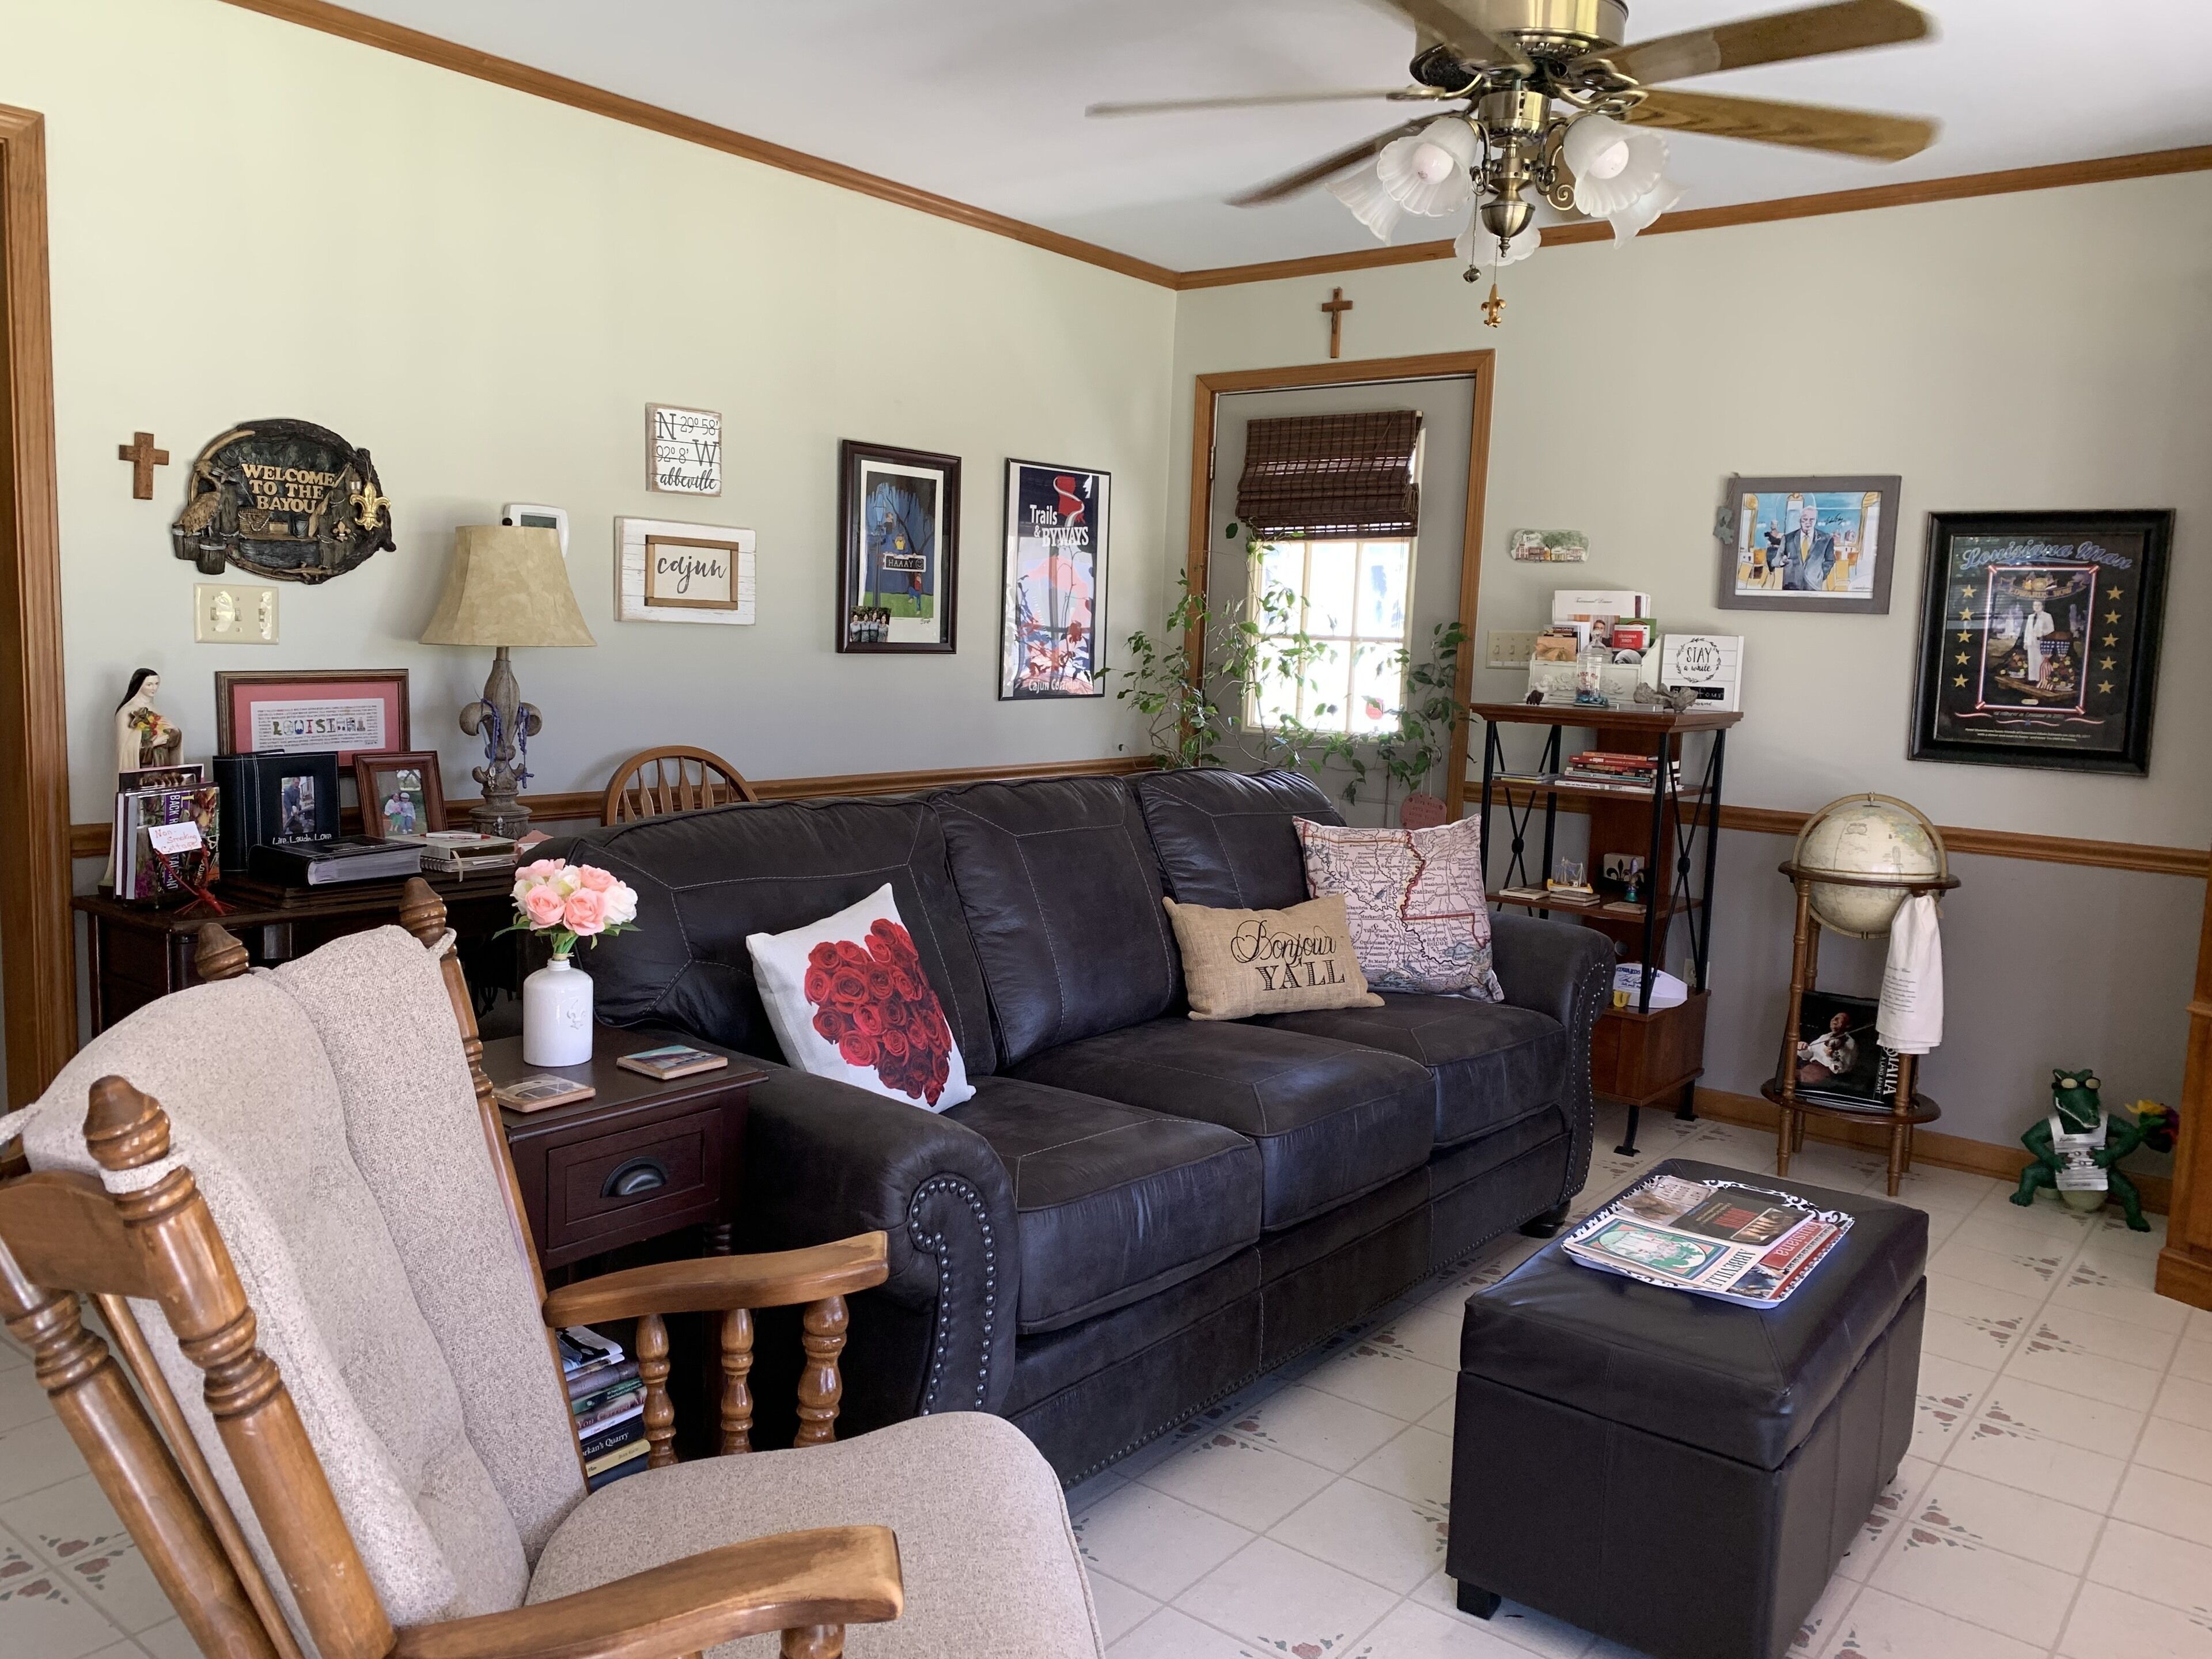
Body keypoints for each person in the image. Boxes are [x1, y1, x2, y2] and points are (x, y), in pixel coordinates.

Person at [1778, 501, 1836, 592]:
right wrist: (1781, 561)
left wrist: (1821, 574)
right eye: (1805, 519)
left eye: (1812, 519)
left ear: (1816, 520)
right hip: (1790, 586)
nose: (1808, 523)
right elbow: (1776, 560)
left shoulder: (1827, 539)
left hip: (1813, 586)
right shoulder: (1788, 538)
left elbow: (1830, 560)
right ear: (1800, 520)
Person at [1797, 1009, 1858, 1085]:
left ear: (1848, 1025)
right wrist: (1802, 1048)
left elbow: (1839, 1069)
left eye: (1841, 1018)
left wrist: (1832, 1056)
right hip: (1808, 1067)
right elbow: (1808, 1055)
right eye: (1834, 1017)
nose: (1835, 1019)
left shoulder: (1850, 1043)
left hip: (1823, 1075)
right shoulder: (1825, 1037)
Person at [2020, 598, 2056, 687]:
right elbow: (2027, 630)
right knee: (2032, 660)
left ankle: (2040, 678)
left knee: (2040, 660)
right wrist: (2025, 642)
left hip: (2041, 642)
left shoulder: (2047, 616)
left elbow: (2051, 629)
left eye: (2039, 605)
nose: (2037, 607)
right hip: (2031, 642)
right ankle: (2032, 679)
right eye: (2035, 605)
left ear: (2042, 606)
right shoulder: (2031, 617)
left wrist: (2042, 633)